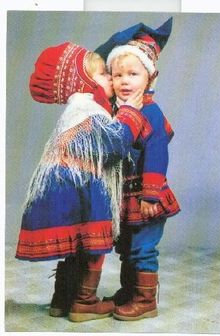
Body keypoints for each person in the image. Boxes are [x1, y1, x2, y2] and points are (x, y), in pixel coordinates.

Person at [15, 41, 147, 322]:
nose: (111, 79)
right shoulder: (89, 112)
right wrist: (130, 113)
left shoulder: (78, 110)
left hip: (67, 184)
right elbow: (115, 145)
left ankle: (62, 298)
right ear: (85, 82)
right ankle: (84, 302)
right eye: (103, 75)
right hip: (80, 187)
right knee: (92, 242)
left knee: (77, 243)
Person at [95, 17, 180, 321]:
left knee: (143, 248)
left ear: (149, 78)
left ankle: (146, 301)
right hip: (124, 196)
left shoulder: (151, 113)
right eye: (118, 75)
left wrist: (151, 195)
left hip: (146, 196)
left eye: (133, 74)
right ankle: (129, 291)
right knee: (126, 246)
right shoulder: (118, 113)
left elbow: (157, 154)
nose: (125, 81)